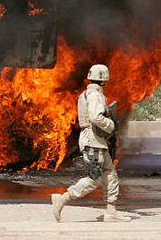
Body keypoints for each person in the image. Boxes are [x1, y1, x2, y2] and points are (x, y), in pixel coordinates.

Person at [51, 64, 131, 222]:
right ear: (104, 79)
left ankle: (111, 211)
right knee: (94, 178)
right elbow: (95, 117)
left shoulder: (87, 94)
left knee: (110, 173)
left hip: (97, 141)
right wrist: (110, 125)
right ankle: (63, 199)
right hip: (93, 141)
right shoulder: (94, 95)